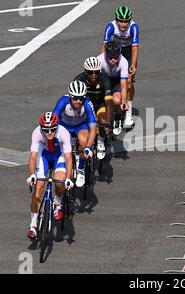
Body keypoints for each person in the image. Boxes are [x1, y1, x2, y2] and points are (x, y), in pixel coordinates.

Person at [26, 112, 74, 240]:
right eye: (46, 130)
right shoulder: (36, 133)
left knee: (59, 181)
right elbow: (33, 156)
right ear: (41, 128)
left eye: (52, 129)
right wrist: (32, 175)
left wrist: (68, 177)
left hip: (60, 156)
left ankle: (57, 201)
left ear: (57, 127)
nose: (49, 133)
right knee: (38, 189)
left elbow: (68, 158)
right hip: (44, 156)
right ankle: (33, 225)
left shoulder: (64, 133)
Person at [100, 5, 139, 128]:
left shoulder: (133, 27)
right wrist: (101, 62)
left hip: (127, 52)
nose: (123, 24)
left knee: (128, 82)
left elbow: (135, 48)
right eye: (121, 21)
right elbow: (104, 45)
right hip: (114, 51)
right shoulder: (111, 26)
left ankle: (128, 114)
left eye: (126, 21)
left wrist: (133, 64)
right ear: (116, 20)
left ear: (129, 20)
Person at [53, 80, 97, 187]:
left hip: (80, 126)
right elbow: (53, 121)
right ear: (70, 97)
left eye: (81, 98)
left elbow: (93, 128)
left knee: (83, 140)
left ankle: (81, 169)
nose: (78, 101)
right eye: (75, 98)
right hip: (65, 126)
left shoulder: (87, 103)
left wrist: (88, 146)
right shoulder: (63, 101)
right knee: (60, 144)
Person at [74, 57, 113, 159]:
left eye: (96, 72)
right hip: (85, 105)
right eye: (91, 72)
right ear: (85, 71)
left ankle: (101, 138)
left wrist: (108, 123)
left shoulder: (105, 80)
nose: (94, 75)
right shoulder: (79, 80)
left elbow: (109, 103)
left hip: (100, 104)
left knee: (103, 120)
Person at [97, 41, 129, 135]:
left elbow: (123, 84)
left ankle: (118, 117)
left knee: (116, 100)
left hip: (117, 81)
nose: (113, 60)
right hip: (104, 80)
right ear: (105, 54)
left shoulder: (123, 62)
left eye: (115, 57)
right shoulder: (99, 60)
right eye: (110, 57)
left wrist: (123, 101)